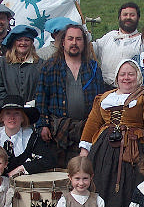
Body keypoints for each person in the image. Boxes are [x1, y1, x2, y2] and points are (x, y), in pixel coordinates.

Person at [79, 59, 144, 207]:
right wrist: (85, 149)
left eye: (131, 74)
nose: (126, 78)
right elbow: (92, 123)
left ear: (138, 76)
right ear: (117, 77)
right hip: (104, 149)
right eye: (123, 74)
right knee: (102, 181)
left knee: (128, 186)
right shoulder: (104, 98)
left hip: (133, 149)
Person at [35, 23, 105, 165]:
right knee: (60, 172)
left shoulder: (93, 67)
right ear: (63, 42)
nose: (74, 43)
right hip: (59, 130)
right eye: (70, 39)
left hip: (86, 129)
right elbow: (41, 98)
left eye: (79, 39)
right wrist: (43, 125)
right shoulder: (49, 67)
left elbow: (100, 100)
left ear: (84, 43)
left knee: (84, 171)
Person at [0, 95, 57, 178]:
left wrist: (21, 168)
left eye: (16, 113)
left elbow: (49, 160)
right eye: (8, 113)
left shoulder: (31, 138)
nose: (12, 117)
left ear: (22, 118)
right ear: (2, 117)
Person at [93, 2, 143, 88]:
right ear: (119, 17)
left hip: (130, 90)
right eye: (125, 15)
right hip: (104, 88)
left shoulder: (142, 40)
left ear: (138, 18)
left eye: (132, 15)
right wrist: (84, 37)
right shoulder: (110, 36)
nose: (128, 17)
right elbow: (92, 50)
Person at [0, 25, 41, 107]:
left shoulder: (41, 64)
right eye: (19, 40)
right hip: (8, 115)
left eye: (27, 40)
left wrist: (33, 104)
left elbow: (45, 90)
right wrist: (10, 107)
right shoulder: (1, 64)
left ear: (31, 43)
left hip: (35, 113)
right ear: (14, 42)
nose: (23, 43)